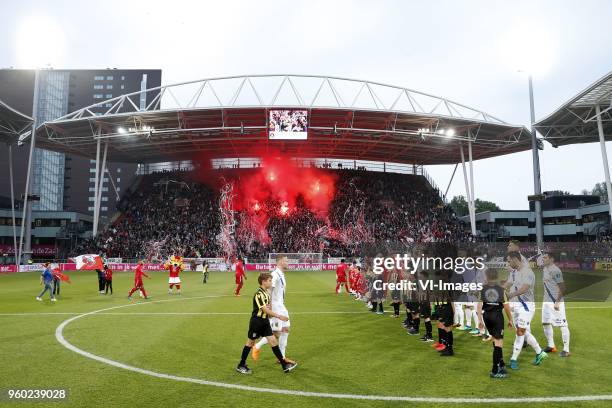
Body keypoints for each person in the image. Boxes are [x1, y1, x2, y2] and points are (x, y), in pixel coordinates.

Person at [235, 272, 297, 374]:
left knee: (273, 341)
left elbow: (268, 309)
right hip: (257, 322)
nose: (271, 282)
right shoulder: (259, 294)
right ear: (263, 282)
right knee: (250, 343)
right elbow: (264, 309)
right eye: (269, 280)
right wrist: (279, 316)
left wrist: (271, 316)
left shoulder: (266, 293)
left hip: (265, 321)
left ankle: (284, 364)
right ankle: (241, 365)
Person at [505, 251, 547, 369]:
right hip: (517, 306)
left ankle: (513, 359)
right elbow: (508, 284)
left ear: (514, 259)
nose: (508, 263)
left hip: (526, 307)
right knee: (522, 331)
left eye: (509, 261)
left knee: (520, 332)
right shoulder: (515, 272)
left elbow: (524, 288)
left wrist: (510, 295)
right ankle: (540, 352)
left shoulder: (527, 272)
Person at [252, 255, 295, 363]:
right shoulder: (275, 275)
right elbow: (269, 291)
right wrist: (270, 308)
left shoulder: (280, 274)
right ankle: (257, 346)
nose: (288, 262)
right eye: (286, 260)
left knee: (285, 330)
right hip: (276, 307)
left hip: (281, 306)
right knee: (276, 333)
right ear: (280, 262)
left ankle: (282, 357)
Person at [477, 268, 514, 378]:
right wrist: (511, 320)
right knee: (499, 343)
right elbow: (507, 307)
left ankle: (501, 364)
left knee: (495, 339)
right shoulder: (501, 290)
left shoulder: (482, 289)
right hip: (497, 316)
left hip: (486, 316)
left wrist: (480, 320)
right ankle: (495, 370)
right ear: (496, 277)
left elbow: (479, 306)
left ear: (487, 277)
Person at [540, 253, 570, 357]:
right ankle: (551, 345)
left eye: (545, 257)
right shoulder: (545, 269)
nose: (543, 259)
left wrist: (557, 302)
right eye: (543, 257)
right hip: (546, 302)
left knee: (562, 324)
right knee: (545, 323)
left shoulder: (555, 270)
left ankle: (566, 350)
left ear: (551, 259)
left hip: (555, 301)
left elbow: (563, 288)